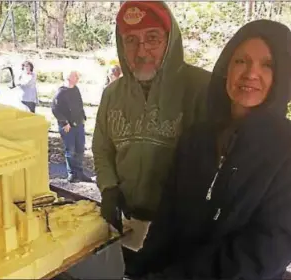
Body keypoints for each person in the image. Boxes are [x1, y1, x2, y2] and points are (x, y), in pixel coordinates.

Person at [126, 19, 291, 280]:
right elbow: (166, 219)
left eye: (267, 65)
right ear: (227, 67)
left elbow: (269, 247)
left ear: (280, 75)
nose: (250, 73)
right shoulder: (197, 137)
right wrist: (140, 271)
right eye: (241, 61)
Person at [92, 1, 211, 252]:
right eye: (131, 40)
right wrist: (109, 188)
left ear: (170, 41)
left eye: (152, 38)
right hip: (126, 220)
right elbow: (102, 149)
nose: (142, 51)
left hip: (177, 228)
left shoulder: (200, 88)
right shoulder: (112, 94)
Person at [52, 70, 93, 183]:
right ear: (69, 77)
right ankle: (72, 174)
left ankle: (79, 172)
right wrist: (64, 123)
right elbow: (55, 109)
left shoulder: (76, 89)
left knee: (80, 148)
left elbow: (79, 104)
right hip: (67, 126)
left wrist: (82, 117)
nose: (78, 78)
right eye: (75, 76)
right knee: (70, 150)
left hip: (78, 124)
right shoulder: (61, 92)